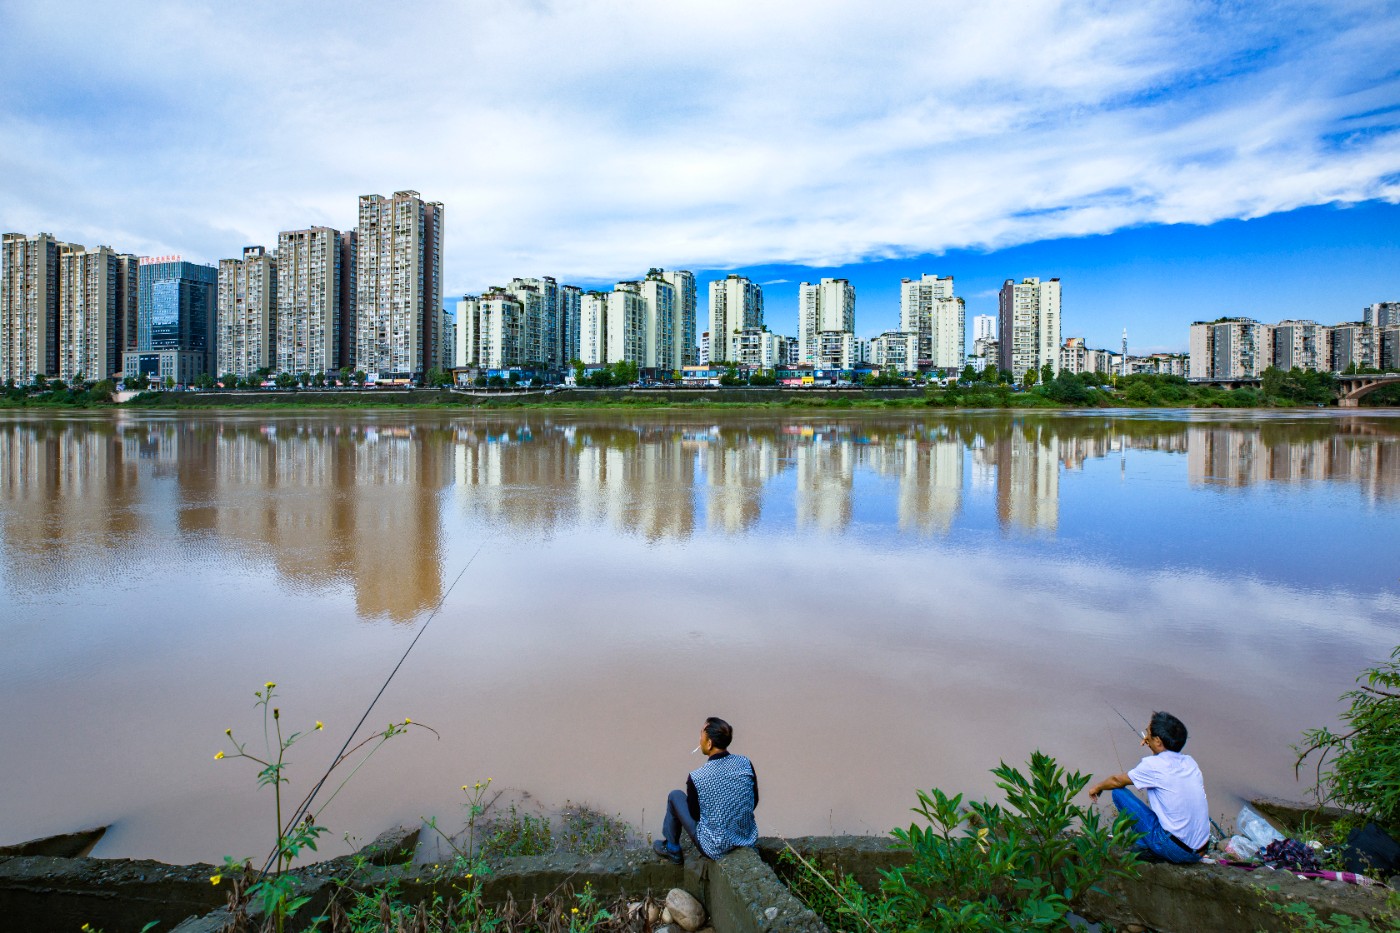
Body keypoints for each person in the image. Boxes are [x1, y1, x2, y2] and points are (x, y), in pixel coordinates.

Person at [1087, 710, 1209, 864]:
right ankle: (1147, 844)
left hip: (1177, 851)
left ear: (1158, 741)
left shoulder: (1153, 765)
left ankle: (1149, 847)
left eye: (1148, 733)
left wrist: (1097, 787)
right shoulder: (1190, 762)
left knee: (1118, 792)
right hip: (1200, 849)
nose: (1146, 736)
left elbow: (1117, 781)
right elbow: (1163, 771)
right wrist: (1155, 748)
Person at [653, 716, 758, 864]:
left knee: (675, 796)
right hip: (746, 838)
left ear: (709, 743)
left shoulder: (697, 777)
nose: (699, 740)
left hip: (716, 847)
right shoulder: (745, 763)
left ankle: (672, 849)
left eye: (701, 735)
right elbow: (754, 801)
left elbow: (695, 815)